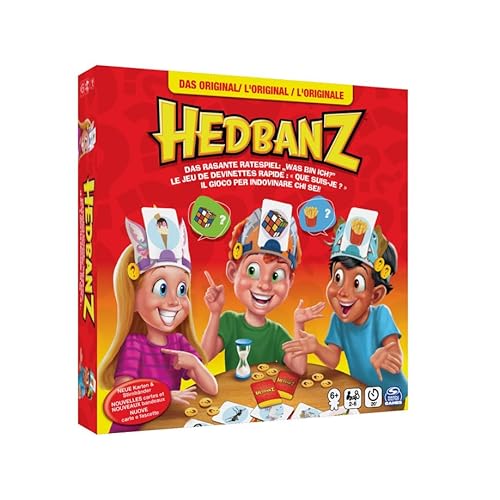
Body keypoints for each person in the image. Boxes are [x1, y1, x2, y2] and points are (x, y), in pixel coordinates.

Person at [99, 210, 218, 431]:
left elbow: (212, 388)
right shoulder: (134, 345)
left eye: (181, 290)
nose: (174, 301)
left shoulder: (179, 342)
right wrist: (165, 398)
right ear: (133, 300)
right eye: (161, 288)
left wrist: (194, 363)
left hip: (164, 425)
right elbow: (122, 399)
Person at [283, 207, 408, 399]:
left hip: (391, 395)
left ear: (375, 295)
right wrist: (316, 347)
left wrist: (388, 354)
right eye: (338, 277)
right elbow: (333, 360)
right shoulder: (338, 320)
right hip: (361, 394)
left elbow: (396, 353)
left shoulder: (381, 315)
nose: (342, 291)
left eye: (357, 283)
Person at [202, 201, 325, 376]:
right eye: (253, 270)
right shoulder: (230, 323)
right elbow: (204, 356)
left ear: (290, 281)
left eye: (276, 275)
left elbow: (299, 368)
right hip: (236, 392)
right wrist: (215, 313)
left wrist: (299, 324)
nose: (265, 285)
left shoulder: (276, 333)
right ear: (233, 272)